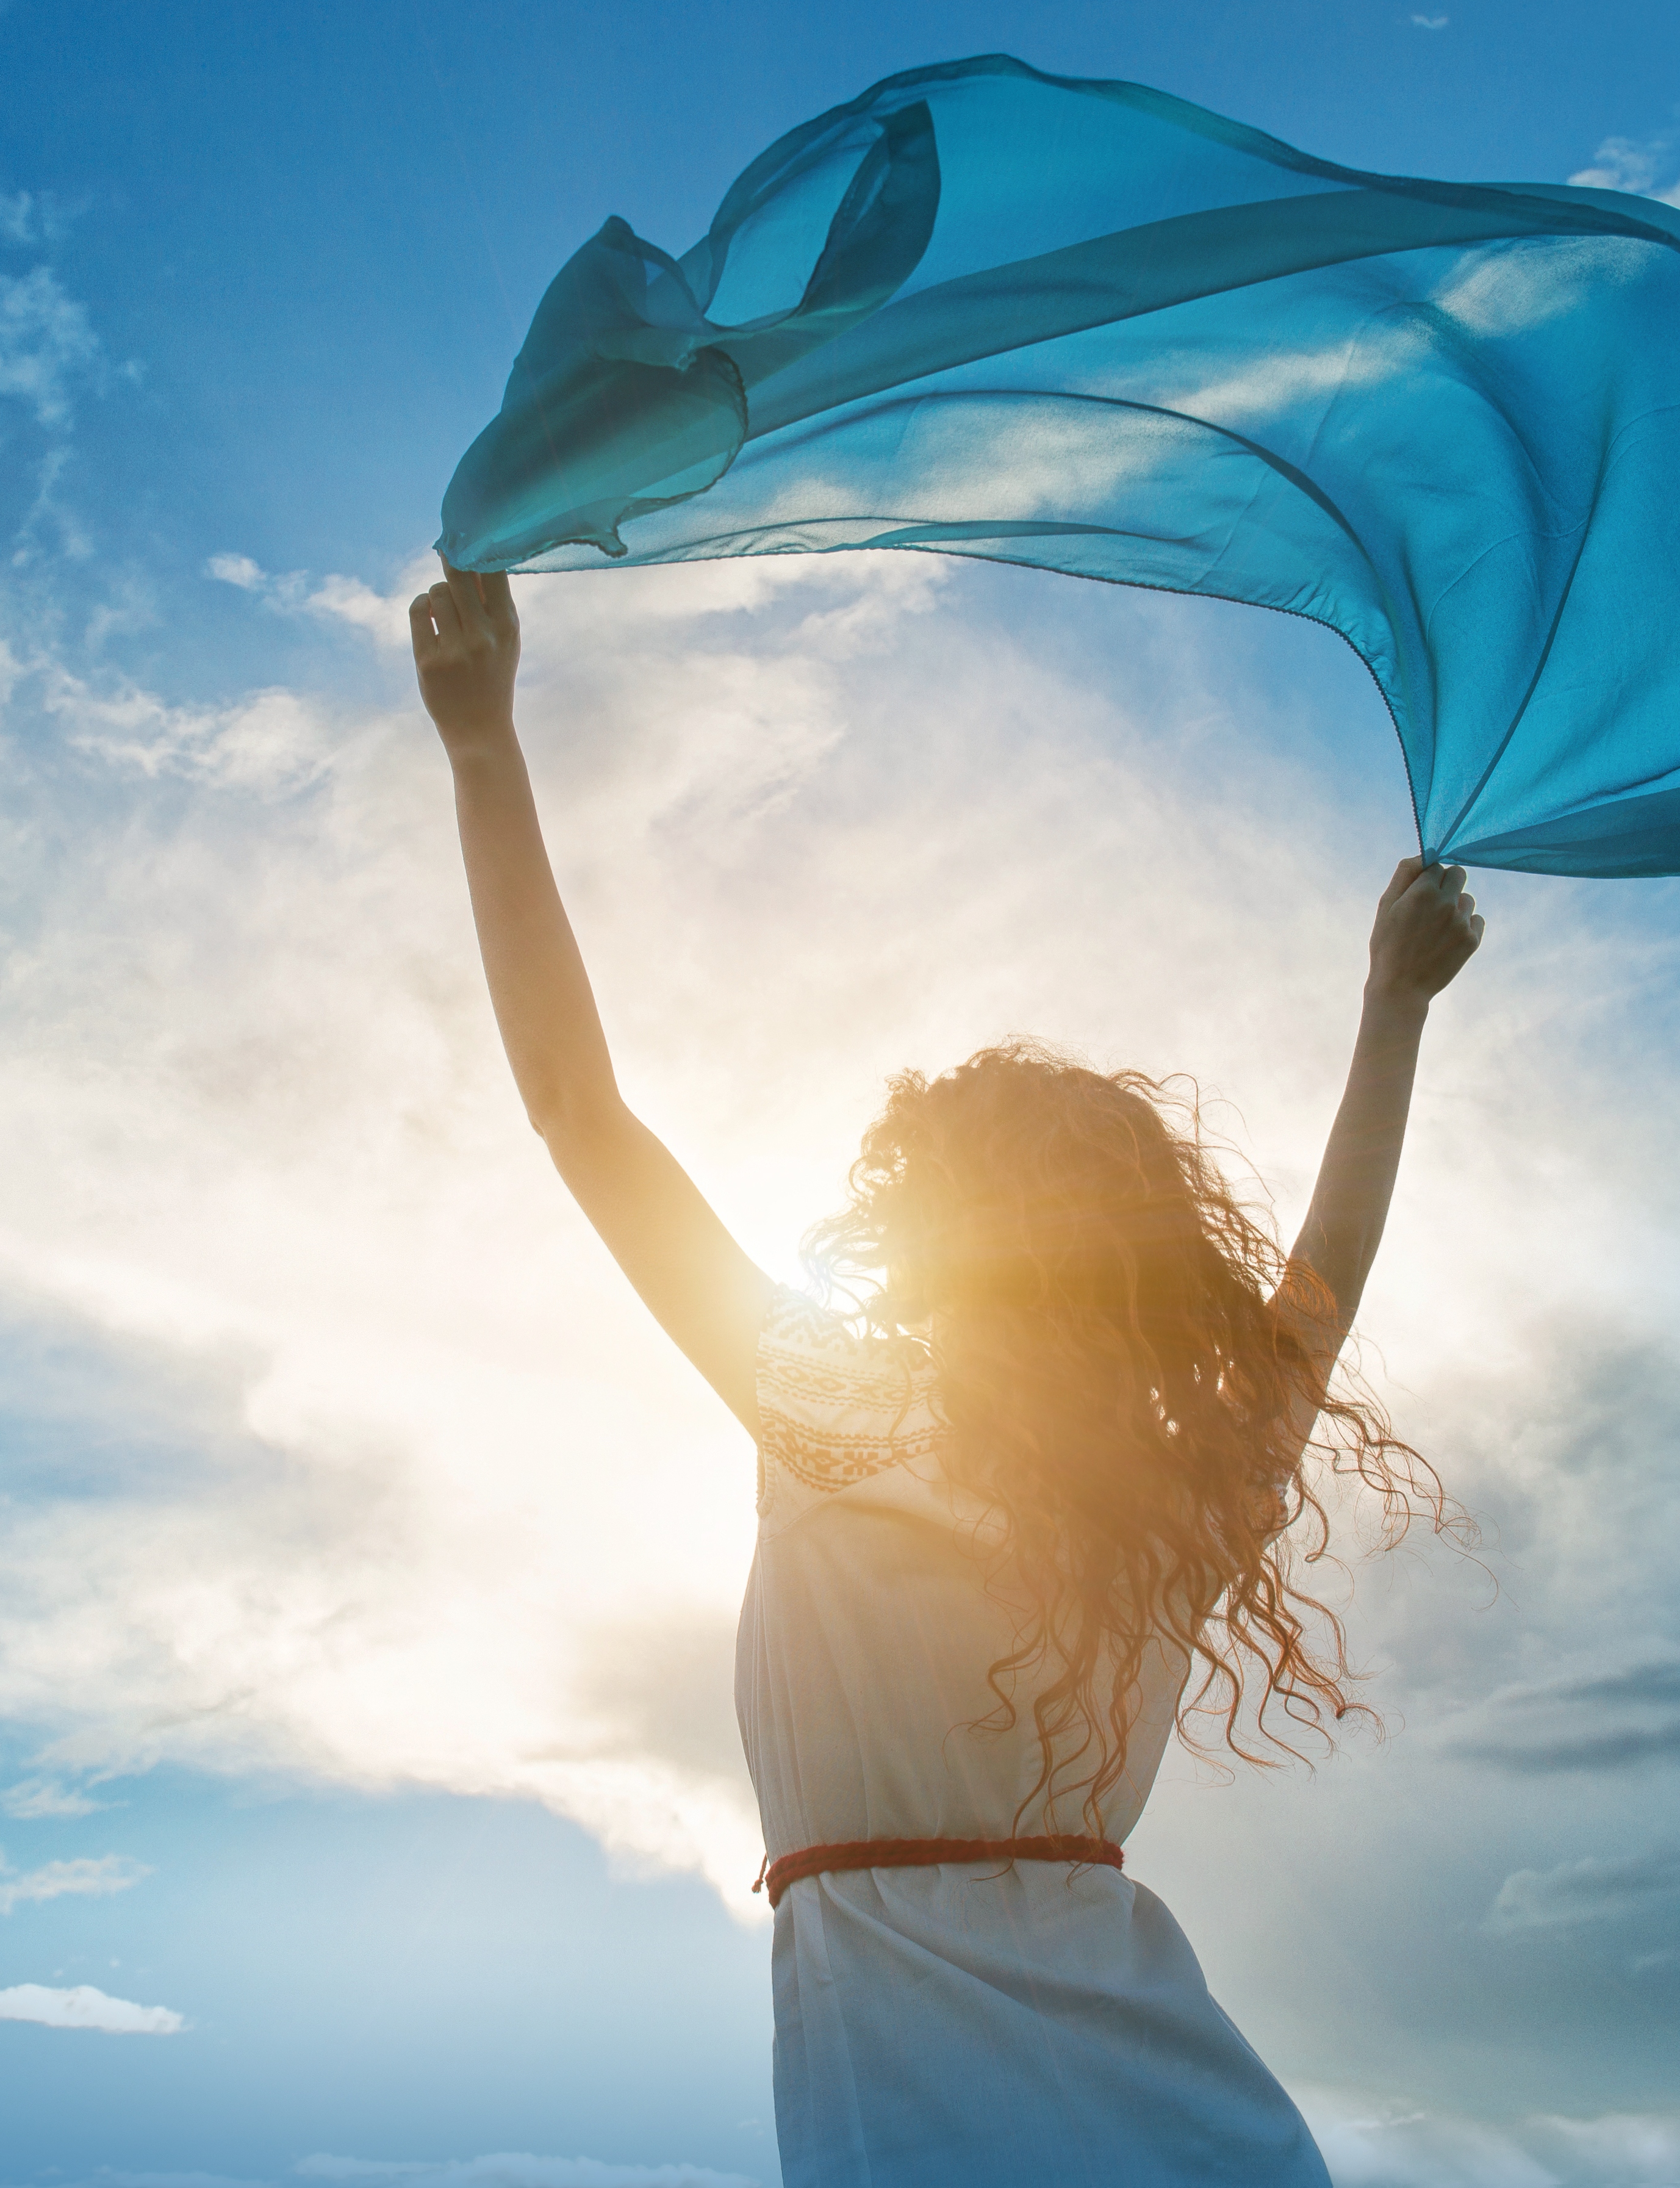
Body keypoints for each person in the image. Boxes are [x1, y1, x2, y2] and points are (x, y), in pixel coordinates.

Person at [407, 560, 1482, 2186]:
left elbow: (580, 1114)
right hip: (1194, 2117)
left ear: (926, 1236)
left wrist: (484, 749)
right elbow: (1317, 1298)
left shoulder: (832, 1408)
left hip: (923, 2118)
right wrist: (1391, 1012)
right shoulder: (1159, 1511)